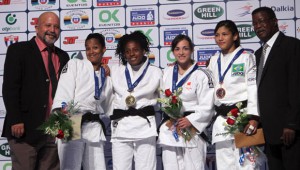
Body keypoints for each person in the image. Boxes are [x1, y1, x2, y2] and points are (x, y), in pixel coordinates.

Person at [1, 12, 69, 170]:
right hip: (24, 130)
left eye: (56, 27)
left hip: (54, 130)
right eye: (48, 25)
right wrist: (16, 119)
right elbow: (10, 87)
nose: (52, 30)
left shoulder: (63, 56)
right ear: (37, 27)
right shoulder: (18, 50)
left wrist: (101, 69)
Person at [52, 33, 113, 170]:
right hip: (72, 119)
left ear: (104, 49)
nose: (91, 52)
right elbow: (64, 90)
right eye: (88, 48)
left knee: (98, 167)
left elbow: (109, 105)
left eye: (95, 48)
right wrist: (61, 116)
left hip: (94, 124)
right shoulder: (75, 64)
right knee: (70, 167)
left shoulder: (107, 77)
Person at [207, 20, 260, 170]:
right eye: (217, 35)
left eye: (225, 34)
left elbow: (252, 88)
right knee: (224, 165)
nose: (220, 38)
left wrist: (254, 118)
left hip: (242, 118)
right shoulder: (213, 60)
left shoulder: (246, 57)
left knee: (248, 165)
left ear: (235, 36)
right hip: (221, 121)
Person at [252, 7, 300, 170]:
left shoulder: (292, 46)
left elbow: (296, 86)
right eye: (254, 23)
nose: (258, 26)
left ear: (274, 22)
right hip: (268, 132)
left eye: (261, 21)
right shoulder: (258, 54)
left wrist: (292, 124)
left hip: (289, 132)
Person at [157, 34, 214, 170]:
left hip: (192, 128)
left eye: (185, 48)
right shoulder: (166, 72)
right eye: (177, 49)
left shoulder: (202, 74)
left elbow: (208, 105)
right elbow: (162, 97)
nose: (181, 53)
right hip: (170, 128)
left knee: (194, 167)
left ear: (192, 50)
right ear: (173, 52)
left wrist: (191, 120)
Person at [110, 31, 162, 170]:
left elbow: (166, 101)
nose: (131, 54)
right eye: (127, 51)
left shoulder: (156, 72)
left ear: (144, 50)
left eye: (135, 50)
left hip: (145, 127)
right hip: (121, 127)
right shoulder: (115, 71)